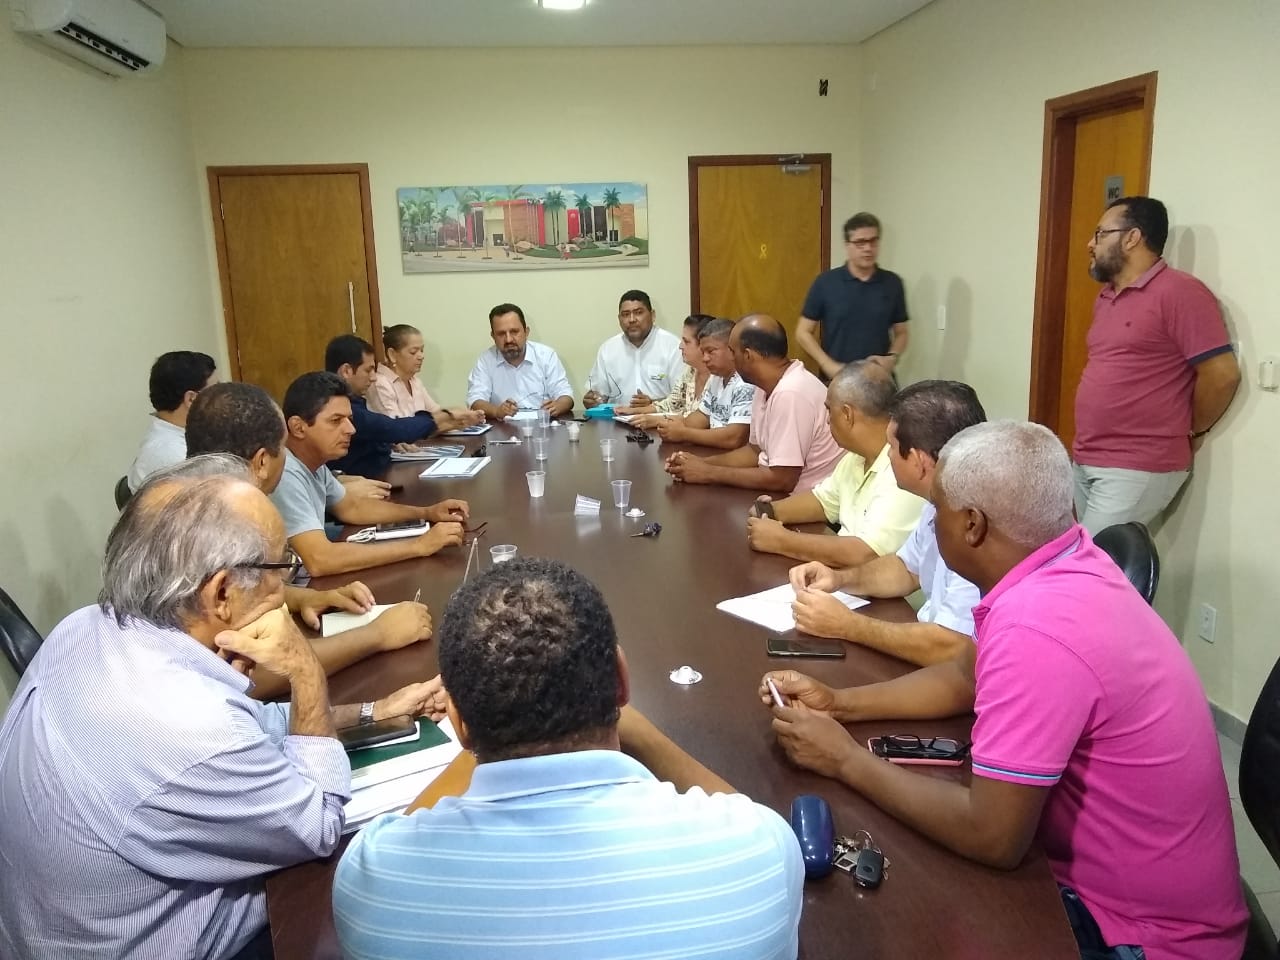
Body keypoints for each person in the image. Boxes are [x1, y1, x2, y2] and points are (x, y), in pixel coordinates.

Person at [762, 420, 1247, 960]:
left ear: (972, 525)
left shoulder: (1036, 627)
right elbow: (965, 676)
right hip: (1128, 889)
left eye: (937, 511)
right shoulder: (1068, 560)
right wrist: (841, 704)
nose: (931, 524)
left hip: (1140, 936)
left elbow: (992, 837)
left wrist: (844, 759)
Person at [0, 467, 448, 960]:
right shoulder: (190, 726)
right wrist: (304, 671)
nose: (287, 583)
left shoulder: (85, 628)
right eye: (282, 566)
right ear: (221, 594)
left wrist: (373, 710)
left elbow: (249, 724)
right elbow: (318, 822)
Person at [333, 558, 804, 960]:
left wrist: (477, 733)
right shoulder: (760, 852)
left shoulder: (369, 880)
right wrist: (641, 732)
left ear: (459, 723)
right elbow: (747, 813)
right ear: (621, 682)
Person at [187, 386, 434, 699]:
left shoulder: (179, 497)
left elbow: (241, 594)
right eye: (283, 448)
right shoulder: (223, 524)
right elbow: (250, 678)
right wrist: (378, 634)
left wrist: (303, 597)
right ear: (261, 461)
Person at [787, 379, 985, 666]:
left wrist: (847, 625)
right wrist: (840, 579)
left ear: (917, 461)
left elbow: (953, 647)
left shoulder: (978, 525)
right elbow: (905, 569)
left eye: (891, 447)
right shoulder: (938, 500)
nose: (888, 455)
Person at [1073, 196, 1241, 533]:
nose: (1090, 243)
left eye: (1100, 233)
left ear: (1132, 238)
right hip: (1087, 456)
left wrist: (1196, 429)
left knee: (1091, 561)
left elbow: (1222, 375)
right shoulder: (1106, 296)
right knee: (1086, 560)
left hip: (1137, 465)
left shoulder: (1180, 292)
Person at [271, 372, 466, 576]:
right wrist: (419, 546)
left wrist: (427, 513)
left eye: (349, 419)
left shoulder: (313, 463)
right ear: (298, 427)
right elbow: (320, 559)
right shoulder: (285, 472)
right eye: (336, 421)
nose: (351, 429)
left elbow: (352, 508)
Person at [746, 360, 923, 566]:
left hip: (872, 582)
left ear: (847, 414)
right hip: (842, 577)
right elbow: (823, 501)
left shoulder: (903, 469)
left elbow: (866, 553)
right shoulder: (856, 457)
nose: (828, 420)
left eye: (829, 410)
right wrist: (769, 511)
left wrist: (781, 540)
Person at [665, 315, 842, 494]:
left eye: (732, 351)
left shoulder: (791, 393)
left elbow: (782, 479)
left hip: (803, 499)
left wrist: (708, 473)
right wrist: (700, 463)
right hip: (779, 492)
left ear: (748, 355)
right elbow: (754, 451)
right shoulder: (764, 385)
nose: (731, 358)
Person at [796, 213, 908, 379]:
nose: (868, 248)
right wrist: (827, 364)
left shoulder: (892, 283)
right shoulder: (826, 283)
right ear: (847, 245)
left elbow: (902, 332)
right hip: (838, 377)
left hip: (879, 377)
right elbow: (803, 332)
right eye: (860, 242)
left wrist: (892, 358)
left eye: (873, 241)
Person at [326, 334, 443, 477]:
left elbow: (376, 433)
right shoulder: (338, 407)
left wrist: (387, 443)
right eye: (368, 370)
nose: (373, 377)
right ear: (346, 371)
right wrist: (440, 419)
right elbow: (391, 428)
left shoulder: (355, 401)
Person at [635, 317, 753, 450]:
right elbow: (701, 416)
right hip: (713, 450)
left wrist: (683, 434)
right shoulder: (717, 378)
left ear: (731, 350)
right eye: (703, 352)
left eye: (710, 351)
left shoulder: (746, 383)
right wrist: (670, 426)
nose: (705, 358)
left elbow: (733, 438)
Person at [126, 350, 217, 491]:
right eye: (216, 392)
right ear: (191, 399)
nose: (222, 398)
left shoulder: (185, 434)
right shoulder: (172, 454)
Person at [465, 303, 574, 419]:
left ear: (526, 332)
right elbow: (475, 401)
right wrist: (497, 411)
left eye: (514, 332)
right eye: (501, 334)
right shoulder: (486, 360)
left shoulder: (546, 355)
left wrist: (558, 406)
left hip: (542, 425)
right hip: (502, 426)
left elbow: (566, 395)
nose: (508, 339)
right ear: (493, 336)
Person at [582, 290, 685, 409]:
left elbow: (684, 398)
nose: (632, 319)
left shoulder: (673, 346)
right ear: (619, 319)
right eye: (625, 314)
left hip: (660, 418)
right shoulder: (608, 349)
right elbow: (599, 396)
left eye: (638, 313)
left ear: (652, 315)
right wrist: (593, 401)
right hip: (616, 418)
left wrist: (653, 404)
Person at [367, 323, 479, 426]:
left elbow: (436, 413)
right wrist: (450, 420)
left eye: (422, 350)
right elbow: (397, 428)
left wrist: (464, 416)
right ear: (392, 354)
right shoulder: (380, 383)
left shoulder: (415, 381)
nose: (421, 356)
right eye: (413, 352)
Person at [618, 313, 715, 420]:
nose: (680, 346)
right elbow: (670, 405)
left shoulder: (718, 379)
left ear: (704, 345)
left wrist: (655, 421)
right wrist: (632, 411)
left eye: (686, 342)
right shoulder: (691, 371)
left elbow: (702, 422)